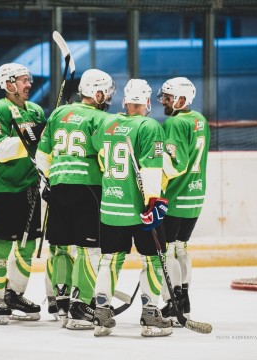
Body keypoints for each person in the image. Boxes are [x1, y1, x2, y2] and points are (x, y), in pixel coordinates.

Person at [91, 79, 173, 337]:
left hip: (111, 206)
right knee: (153, 261)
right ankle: (150, 315)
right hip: (140, 209)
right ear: (147, 101)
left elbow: (101, 156)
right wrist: (152, 201)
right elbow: (151, 168)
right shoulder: (150, 126)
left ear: (125, 101)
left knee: (110, 259)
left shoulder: (108, 123)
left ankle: (101, 312)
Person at [35, 69, 115, 329]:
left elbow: (42, 154)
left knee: (60, 246)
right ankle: (81, 306)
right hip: (88, 188)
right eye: (107, 92)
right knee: (88, 249)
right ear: (99, 93)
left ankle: (61, 303)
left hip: (58, 186)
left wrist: (49, 180)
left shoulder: (59, 113)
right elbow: (105, 158)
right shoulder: (101, 118)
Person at [0, 63, 46, 324]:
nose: (29, 84)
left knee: (27, 245)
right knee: (0, 244)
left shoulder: (37, 110)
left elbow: (43, 149)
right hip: (3, 187)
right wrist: (31, 138)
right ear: (8, 84)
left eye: (28, 80)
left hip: (29, 187)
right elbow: (0, 149)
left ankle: (14, 294)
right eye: (23, 80)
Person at [157, 77, 210, 325]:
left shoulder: (174, 123)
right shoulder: (200, 119)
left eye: (168, 97)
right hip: (195, 196)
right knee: (181, 247)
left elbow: (174, 163)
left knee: (167, 249)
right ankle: (184, 300)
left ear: (181, 98)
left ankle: (172, 301)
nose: (165, 102)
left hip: (175, 196)